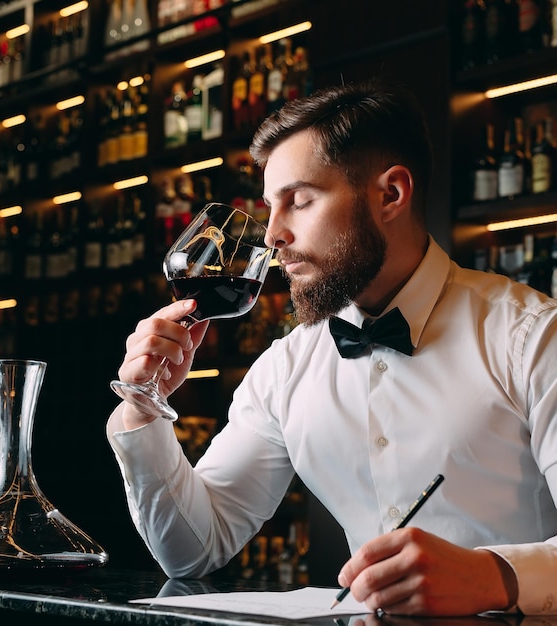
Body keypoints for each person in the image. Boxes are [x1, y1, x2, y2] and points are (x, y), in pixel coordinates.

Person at [107, 80, 557, 616]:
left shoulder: (532, 338)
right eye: (269, 208)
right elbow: (194, 549)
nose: (272, 235)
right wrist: (143, 408)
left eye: (299, 201)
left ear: (391, 195)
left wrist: (494, 576)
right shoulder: (286, 367)